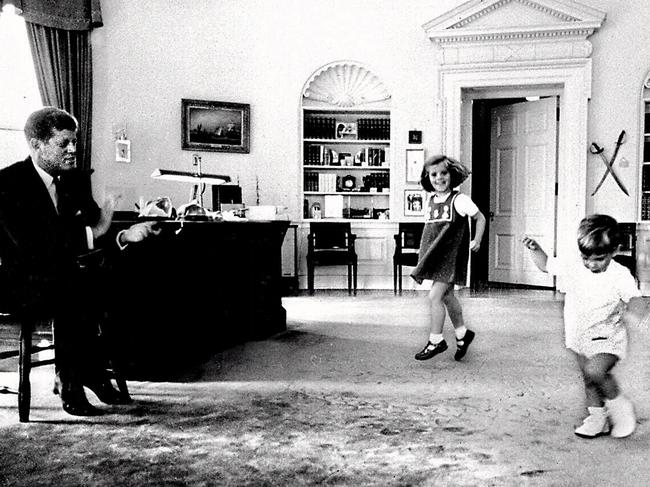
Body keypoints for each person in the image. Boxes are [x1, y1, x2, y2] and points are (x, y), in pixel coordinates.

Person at [0, 107, 160, 416]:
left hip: (61, 276)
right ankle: (76, 376)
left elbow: (94, 232)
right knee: (77, 284)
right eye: (64, 143)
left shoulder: (73, 181)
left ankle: (86, 370)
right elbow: (32, 246)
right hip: (19, 281)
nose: (73, 149)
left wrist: (125, 235)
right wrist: (95, 230)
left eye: (75, 141)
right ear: (36, 145)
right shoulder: (7, 184)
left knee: (103, 280)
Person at [522, 214, 647, 438]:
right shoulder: (573, 265)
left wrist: (634, 315)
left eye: (599, 259)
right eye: (585, 257)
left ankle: (621, 408)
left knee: (595, 370)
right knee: (589, 380)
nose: (590, 264)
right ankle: (597, 419)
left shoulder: (620, 275)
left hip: (608, 337)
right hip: (579, 336)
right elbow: (546, 265)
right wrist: (535, 249)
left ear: (614, 251)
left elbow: (636, 299)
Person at [411, 155, 486, 361]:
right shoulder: (431, 201)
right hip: (436, 256)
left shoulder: (459, 200)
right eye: (434, 174)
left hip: (451, 258)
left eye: (443, 173)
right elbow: (430, 232)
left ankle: (436, 340)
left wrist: (477, 240)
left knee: (434, 296)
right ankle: (462, 334)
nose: (439, 178)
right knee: (446, 296)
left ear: (451, 175)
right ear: (428, 178)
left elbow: (480, 218)